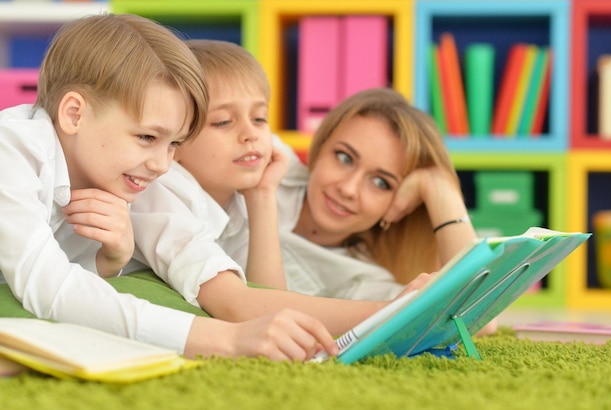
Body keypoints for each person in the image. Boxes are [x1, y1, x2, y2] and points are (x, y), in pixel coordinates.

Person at [0, 13, 341, 363]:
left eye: (174, 143)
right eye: (147, 136)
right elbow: (49, 288)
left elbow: (56, 278)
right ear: (74, 114)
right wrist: (228, 339)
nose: (163, 165)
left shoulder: (107, 168)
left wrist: (109, 260)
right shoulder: (11, 149)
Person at [160, 39, 496, 335]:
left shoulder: (362, 277)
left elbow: (477, 314)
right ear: (320, 149)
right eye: (345, 157)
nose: (349, 188)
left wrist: (440, 189)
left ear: (400, 205)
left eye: (381, 183)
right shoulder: (265, 158)